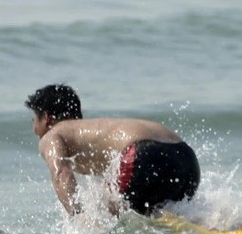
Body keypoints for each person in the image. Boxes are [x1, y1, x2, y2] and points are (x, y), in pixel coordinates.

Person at [25, 84, 199, 217]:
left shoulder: (53, 134)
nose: (34, 128)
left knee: (105, 215)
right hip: (186, 159)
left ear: (46, 118)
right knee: (160, 215)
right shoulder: (95, 130)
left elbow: (61, 173)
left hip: (143, 155)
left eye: (34, 119)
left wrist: (78, 216)